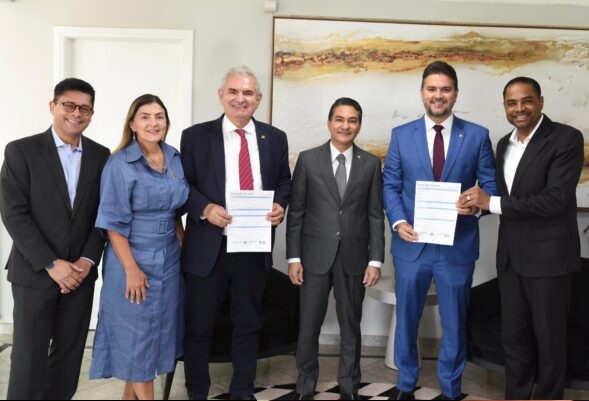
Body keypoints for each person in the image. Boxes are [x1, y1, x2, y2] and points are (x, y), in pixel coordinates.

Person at [459, 76, 584, 400]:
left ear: (540, 101)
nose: (519, 108)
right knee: (514, 340)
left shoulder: (567, 139)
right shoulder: (504, 144)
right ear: (505, 106)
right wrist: (475, 207)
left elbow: (554, 200)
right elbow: (505, 200)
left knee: (550, 342)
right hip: (511, 259)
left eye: (526, 100)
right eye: (511, 103)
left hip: (549, 260)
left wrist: (491, 203)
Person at [382, 61, 497, 400]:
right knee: (406, 320)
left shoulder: (476, 135)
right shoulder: (401, 135)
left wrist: (475, 205)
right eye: (432, 89)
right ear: (422, 93)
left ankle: (451, 389)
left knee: (455, 322)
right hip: (412, 244)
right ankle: (405, 384)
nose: (438, 95)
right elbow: (390, 185)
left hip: (457, 245)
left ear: (455, 93)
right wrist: (398, 222)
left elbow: (489, 185)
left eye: (445, 89)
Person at [180, 65, 291, 400]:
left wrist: (280, 205)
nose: (240, 99)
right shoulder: (195, 136)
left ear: (258, 99)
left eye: (247, 93)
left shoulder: (275, 138)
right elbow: (182, 185)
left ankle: (243, 391)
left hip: (252, 248)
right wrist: (205, 208)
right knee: (199, 328)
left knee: (248, 324)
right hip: (207, 249)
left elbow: (283, 181)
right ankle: (197, 392)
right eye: (233, 91)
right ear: (221, 95)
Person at [0, 78, 110, 399]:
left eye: (84, 108)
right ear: (53, 106)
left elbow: (104, 214)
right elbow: (14, 214)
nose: (76, 113)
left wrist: (87, 261)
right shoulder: (21, 151)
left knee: (68, 357)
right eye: (69, 105)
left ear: (91, 114)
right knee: (28, 360)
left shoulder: (101, 156)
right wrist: (51, 263)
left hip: (80, 276)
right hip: (35, 273)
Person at [88, 94, 188, 399]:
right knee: (137, 338)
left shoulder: (174, 157)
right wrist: (132, 270)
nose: (153, 123)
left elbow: (175, 212)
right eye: (145, 116)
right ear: (132, 124)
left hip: (169, 259)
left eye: (159, 116)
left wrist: (183, 248)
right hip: (132, 258)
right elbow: (112, 224)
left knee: (156, 336)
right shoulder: (119, 164)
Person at [286, 97, 384, 400]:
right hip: (313, 257)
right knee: (308, 326)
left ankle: (349, 387)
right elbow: (297, 212)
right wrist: (293, 257)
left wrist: (375, 261)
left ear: (359, 125)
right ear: (329, 123)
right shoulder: (308, 160)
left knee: (350, 326)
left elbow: (375, 215)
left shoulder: (370, 163)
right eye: (339, 119)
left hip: (354, 258)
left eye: (352, 120)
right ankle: (305, 385)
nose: (345, 126)